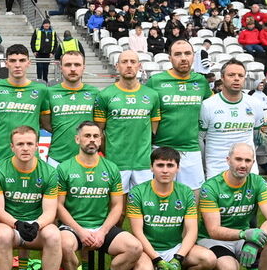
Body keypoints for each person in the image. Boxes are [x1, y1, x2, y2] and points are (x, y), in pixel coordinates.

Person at [55, 121, 149, 270]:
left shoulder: (111, 168)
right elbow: (59, 206)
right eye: (87, 136)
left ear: (101, 140)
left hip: (101, 227)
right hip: (73, 227)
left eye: (96, 136)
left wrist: (102, 232)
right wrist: (81, 232)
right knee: (63, 244)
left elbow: (117, 207)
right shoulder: (64, 168)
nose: (92, 140)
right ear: (77, 139)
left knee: (135, 247)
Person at [197, 143, 267, 270]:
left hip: (244, 236)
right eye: (238, 159)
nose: (243, 165)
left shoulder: (258, 182)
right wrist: (246, 234)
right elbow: (214, 229)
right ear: (228, 160)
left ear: (253, 163)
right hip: (213, 239)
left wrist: (255, 240)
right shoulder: (211, 186)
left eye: (248, 160)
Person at [126, 148, 216, 270]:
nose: (165, 170)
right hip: (146, 249)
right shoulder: (138, 192)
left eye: (170, 165)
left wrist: (178, 258)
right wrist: (157, 259)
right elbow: (137, 232)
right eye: (160, 165)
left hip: (174, 247)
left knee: (208, 259)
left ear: (178, 168)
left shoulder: (186, 192)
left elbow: (192, 231)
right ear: (151, 167)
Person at [0, 125, 63, 270]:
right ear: (12, 147)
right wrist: (17, 224)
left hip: (36, 226)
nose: (25, 148)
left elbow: (50, 212)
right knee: (4, 235)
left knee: (54, 235)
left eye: (29, 144)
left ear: (37, 146)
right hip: (11, 225)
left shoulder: (49, 172)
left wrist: (36, 224)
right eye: (20, 144)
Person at [147, 39, 212, 189]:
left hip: (191, 150)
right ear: (170, 58)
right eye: (177, 54)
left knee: (194, 201)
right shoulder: (155, 82)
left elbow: (210, 109)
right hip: (160, 149)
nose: (183, 58)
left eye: (187, 53)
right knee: (160, 200)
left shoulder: (201, 82)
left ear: (193, 56)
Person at [94, 50, 161, 191]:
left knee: (142, 206)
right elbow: (99, 132)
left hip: (143, 163)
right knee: (116, 207)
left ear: (139, 66)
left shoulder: (152, 95)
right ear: (117, 66)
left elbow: (153, 129)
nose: (129, 65)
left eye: (133, 62)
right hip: (115, 163)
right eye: (124, 62)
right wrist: (112, 153)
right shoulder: (104, 95)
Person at [0, 44, 51, 163]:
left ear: (29, 62)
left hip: (30, 157)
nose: (17, 65)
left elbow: (46, 124)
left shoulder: (41, 90)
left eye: (22, 60)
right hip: (0, 156)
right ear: (6, 63)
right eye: (13, 61)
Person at [200, 59, 265, 180]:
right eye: (231, 75)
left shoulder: (255, 104)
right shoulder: (207, 105)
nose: (236, 78)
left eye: (240, 75)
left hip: (248, 170)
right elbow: (199, 139)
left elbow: (256, 136)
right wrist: (204, 165)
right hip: (216, 170)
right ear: (222, 78)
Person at [45, 49, 98, 167]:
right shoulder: (49, 93)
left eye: (77, 65)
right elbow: (46, 124)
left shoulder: (95, 93)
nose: (73, 69)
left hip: (88, 159)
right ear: (60, 67)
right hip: (57, 159)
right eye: (68, 65)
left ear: (83, 67)